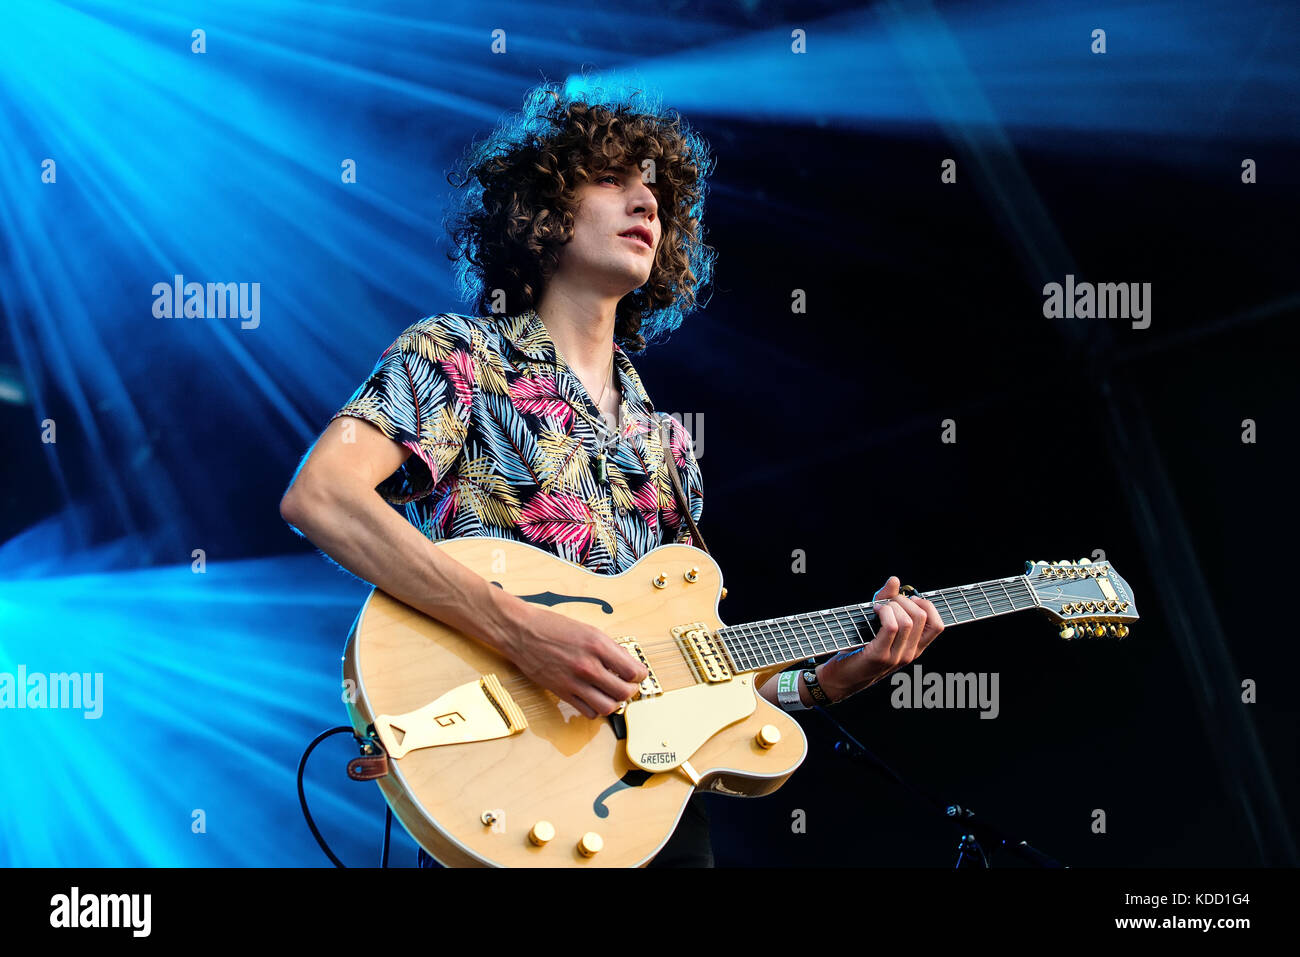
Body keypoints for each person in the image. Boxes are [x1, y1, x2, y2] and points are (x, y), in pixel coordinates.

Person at [279, 83, 944, 868]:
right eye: (612, 178)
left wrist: (834, 679)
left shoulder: (666, 443)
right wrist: (518, 630)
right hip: (501, 792)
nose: (646, 201)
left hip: (643, 822)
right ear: (542, 208)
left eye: (658, 191)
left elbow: (692, 688)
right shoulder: (459, 355)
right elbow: (321, 495)